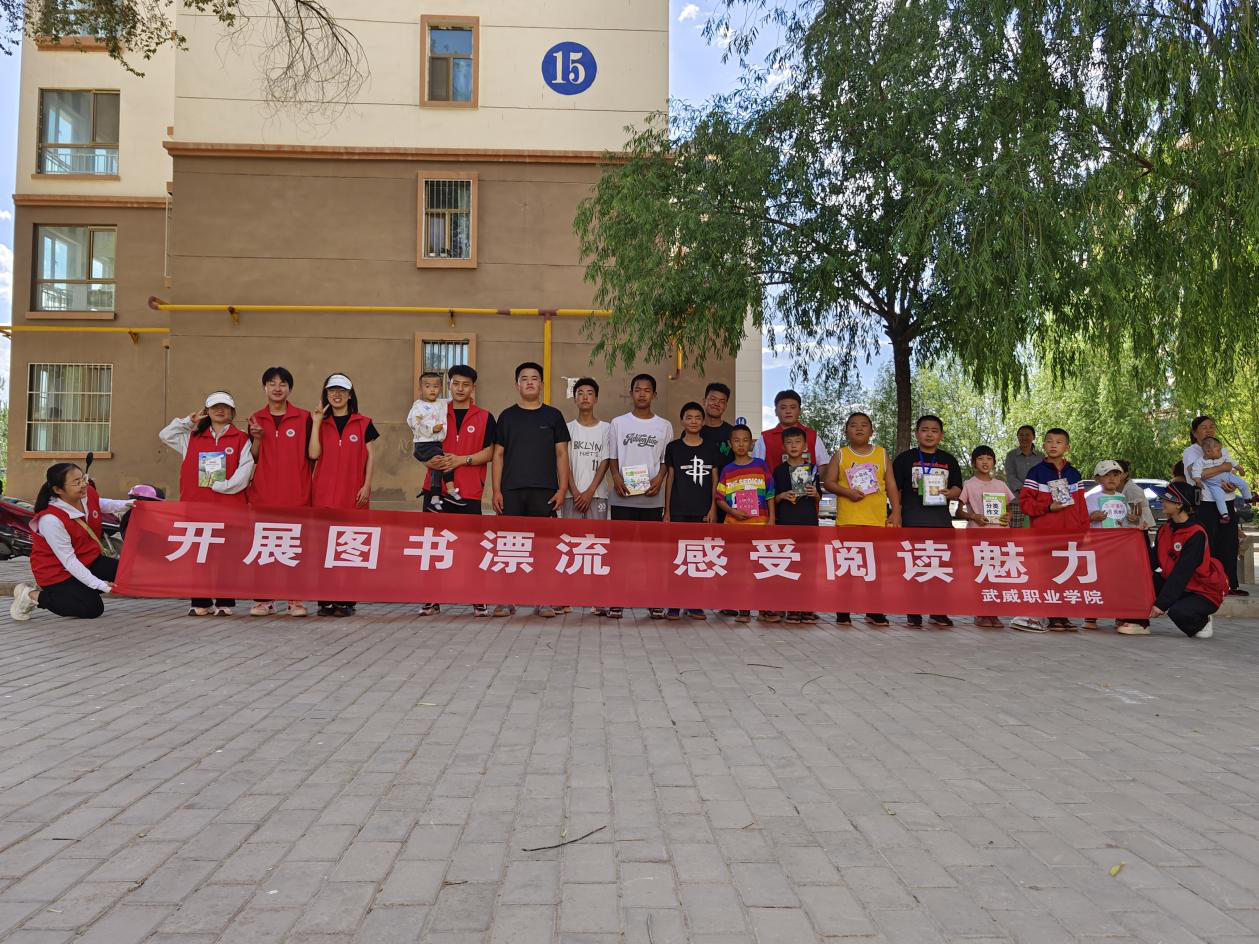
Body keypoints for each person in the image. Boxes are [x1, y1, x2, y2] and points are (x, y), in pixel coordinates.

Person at [161, 391, 254, 615]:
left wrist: (223, 486)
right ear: (207, 411)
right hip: (197, 508)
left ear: (232, 412)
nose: (220, 411)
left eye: (225, 407)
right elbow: (165, 435)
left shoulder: (241, 439)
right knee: (199, 555)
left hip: (228, 508)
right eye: (214, 407)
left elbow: (245, 471)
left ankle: (224, 602)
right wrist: (187, 421)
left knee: (226, 556)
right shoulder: (192, 438)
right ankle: (200, 602)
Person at [491, 362, 571, 619]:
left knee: (543, 547)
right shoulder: (507, 416)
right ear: (517, 385)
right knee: (509, 546)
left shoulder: (553, 416)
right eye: (524, 378)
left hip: (544, 491)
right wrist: (496, 490)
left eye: (534, 378)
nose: (529, 382)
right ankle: (505, 599)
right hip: (511, 490)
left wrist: (562, 489)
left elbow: (561, 454)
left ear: (542, 384)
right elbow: (498, 455)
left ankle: (543, 600)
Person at [416, 364, 496, 617]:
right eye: (456, 383)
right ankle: (431, 598)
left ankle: (477, 598)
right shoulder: (435, 410)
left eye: (466, 384)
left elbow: (490, 452)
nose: (460, 388)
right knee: (433, 545)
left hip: (468, 491)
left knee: (471, 547)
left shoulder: (485, 417)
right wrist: (428, 461)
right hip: (436, 489)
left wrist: (463, 460)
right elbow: (421, 441)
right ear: (449, 385)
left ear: (473, 388)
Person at [10, 463, 133, 621]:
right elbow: (69, 561)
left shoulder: (85, 494)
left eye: (83, 479)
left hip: (87, 559)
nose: (84, 484)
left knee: (125, 573)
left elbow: (98, 503)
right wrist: (101, 585)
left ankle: (78, 591)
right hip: (57, 573)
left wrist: (127, 505)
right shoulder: (51, 520)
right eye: (76, 482)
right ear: (58, 490)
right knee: (92, 607)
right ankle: (30, 595)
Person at [1116, 481, 1228, 637]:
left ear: (1179, 504)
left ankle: (1203, 621)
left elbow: (1181, 573)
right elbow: (1151, 561)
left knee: (1178, 612)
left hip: (1201, 591)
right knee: (1139, 578)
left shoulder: (1196, 534)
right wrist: (1142, 534)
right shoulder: (1165, 529)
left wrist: (1161, 605)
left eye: (1166, 499)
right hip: (1176, 583)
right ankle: (1140, 623)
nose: (1162, 501)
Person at [246, 366, 312, 618]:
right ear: (264, 388)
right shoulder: (256, 418)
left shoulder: (304, 418)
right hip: (263, 495)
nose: (277, 388)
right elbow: (252, 458)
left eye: (282, 384)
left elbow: (313, 454)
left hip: (296, 494)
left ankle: (296, 600)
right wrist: (257, 438)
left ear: (290, 389)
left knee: (294, 548)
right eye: (272, 383)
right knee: (265, 547)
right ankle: (264, 600)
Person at [309, 373, 377, 617]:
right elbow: (314, 454)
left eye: (341, 391)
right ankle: (325, 600)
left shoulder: (363, 423)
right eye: (331, 391)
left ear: (350, 395)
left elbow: (371, 456)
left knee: (349, 547)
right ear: (326, 394)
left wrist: (367, 485)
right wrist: (317, 423)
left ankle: (346, 600)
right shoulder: (320, 423)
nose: (336, 395)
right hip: (323, 495)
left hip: (353, 494)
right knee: (324, 549)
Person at [607, 374, 673, 620]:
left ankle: (654, 602)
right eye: (637, 389)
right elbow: (613, 457)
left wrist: (660, 479)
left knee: (650, 554)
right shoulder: (618, 423)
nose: (642, 394)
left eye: (647, 390)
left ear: (654, 395)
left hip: (651, 497)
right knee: (620, 552)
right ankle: (616, 601)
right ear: (631, 393)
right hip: (623, 495)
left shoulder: (664, 426)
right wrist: (616, 478)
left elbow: (666, 460)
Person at [823, 411, 896, 627]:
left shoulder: (881, 454)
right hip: (848, 520)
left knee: (875, 570)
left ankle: (874, 611)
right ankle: (843, 611)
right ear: (846, 430)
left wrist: (896, 511)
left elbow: (891, 484)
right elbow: (829, 482)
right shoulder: (841, 454)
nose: (859, 428)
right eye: (853, 425)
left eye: (864, 424)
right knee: (847, 567)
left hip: (876, 521)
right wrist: (848, 493)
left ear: (872, 430)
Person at [890, 415, 963, 628]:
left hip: (941, 523)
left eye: (934, 430)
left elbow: (958, 487)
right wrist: (896, 513)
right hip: (912, 521)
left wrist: (950, 493)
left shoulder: (949, 460)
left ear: (941, 435)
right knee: (914, 569)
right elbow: (895, 489)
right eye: (924, 430)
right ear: (916, 433)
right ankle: (913, 612)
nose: (929, 434)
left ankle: (939, 612)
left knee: (940, 570)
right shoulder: (905, 459)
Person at [1014, 427, 1089, 632]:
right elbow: (1025, 504)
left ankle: (1060, 616)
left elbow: (1081, 506)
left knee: (1065, 575)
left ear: (1067, 447)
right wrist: (1048, 507)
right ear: (1043, 446)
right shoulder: (1036, 472)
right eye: (1049, 441)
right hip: (1044, 536)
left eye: (1059, 442)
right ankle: (1042, 615)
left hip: (1070, 535)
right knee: (1045, 575)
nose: (1054, 445)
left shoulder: (1074, 474)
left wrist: (1084, 532)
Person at [663, 401, 720, 621]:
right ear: (682, 421)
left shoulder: (711, 447)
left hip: (702, 510)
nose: (693, 421)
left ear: (703, 421)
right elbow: (670, 479)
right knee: (677, 557)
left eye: (698, 418)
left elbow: (715, 479)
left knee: (698, 557)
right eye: (689, 417)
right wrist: (667, 511)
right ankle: (674, 604)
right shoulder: (674, 448)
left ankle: (695, 604)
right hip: (678, 509)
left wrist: (713, 507)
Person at [717, 425, 776, 623]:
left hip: (760, 525)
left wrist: (772, 519)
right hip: (735, 528)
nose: (741, 444)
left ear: (751, 443)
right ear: (730, 444)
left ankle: (764, 609)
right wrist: (732, 511)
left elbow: (770, 493)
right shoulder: (727, 470)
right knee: (739, 569)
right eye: (736, 440)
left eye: (745, 440)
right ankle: (743, 609)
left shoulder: (761, 465)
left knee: (762, 567)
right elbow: (719, 498)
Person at [1182, 416, 1243, 594]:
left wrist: (1231, 484)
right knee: (1209, 542)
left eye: (1212, 427)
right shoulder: (1191, 451)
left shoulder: (1222, 449)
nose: (1209, 430)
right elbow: (1198, 474)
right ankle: (1209, 584)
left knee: (1229, 542)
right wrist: (1223, 468)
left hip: (1227, 500)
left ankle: (1229, 584)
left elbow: (1230, 473)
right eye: (1204, 427)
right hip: (1205, 503)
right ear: (1195, 433)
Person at [958, 445, 1013, 628]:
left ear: (994, 462)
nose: (985, 462)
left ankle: (994, 613)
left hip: (999, 536)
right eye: (981, 458)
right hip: (977, 536)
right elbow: (958, 511)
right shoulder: (969, 484)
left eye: (989, 459)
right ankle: (981, 613)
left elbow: (1009, 508)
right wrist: (973, 516)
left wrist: (1008, 516)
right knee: (981, 574)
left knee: (996, 574)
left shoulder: (1000, 485)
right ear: (974, 462)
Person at [772, 426, 820, 625]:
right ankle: (791, 607)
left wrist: (815, 494)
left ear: (805, 445)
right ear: (783, 447)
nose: (793, 446)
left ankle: (807, 607)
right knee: (789, 565)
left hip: (808, 522)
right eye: (789, 443)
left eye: (797, 442)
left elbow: (818, 496)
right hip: (786, 522)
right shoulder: (778, 471)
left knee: (808, 566)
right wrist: (782, 496)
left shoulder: (813, 469)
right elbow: (772, 498)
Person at [564, 377, 612, 522]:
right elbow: (564, 462)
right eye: (580, 393)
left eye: (589, 393)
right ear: (574, 399)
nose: (585, 397)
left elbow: (605, 461)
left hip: (597, 495)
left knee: (597, 534)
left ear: (596, 399)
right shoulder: (567, 428)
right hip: (571, 496)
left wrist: (590, 491)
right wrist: (575, 492)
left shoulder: (606, 428)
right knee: (570, 534)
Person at [408, 370, 456, 509]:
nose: (432, 390)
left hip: (435, 443)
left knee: (438, 465)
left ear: (440, 388)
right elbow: (413, 423)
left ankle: (436, 496)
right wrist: (431, 429)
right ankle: (448, 490)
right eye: (427, 386)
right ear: (420, 389)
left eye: (436, 386)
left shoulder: (442, 403)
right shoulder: (418, 406)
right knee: (442, 460)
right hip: (423, 443)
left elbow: (453, 400)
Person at [754, 389, 831, 469]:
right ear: (776, 411)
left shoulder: (813, 436)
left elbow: (823, 465)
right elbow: (755, 468)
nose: (788, 411)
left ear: (800, 411)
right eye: (783, 408)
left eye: (792, 407)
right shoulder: (764, 438)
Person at [1193, 437, 1253, 523]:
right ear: (1208, 452)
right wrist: (1198, 481)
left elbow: (1232, 462)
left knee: (1243, 484)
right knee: (1219, 498)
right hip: (1213, 484)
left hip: (1228, 477)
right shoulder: (1200, 461)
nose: (1221, 452)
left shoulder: (1223, 457)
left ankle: (1248, 500)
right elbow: (1196, 471)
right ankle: (1224, 515)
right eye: (1218, 450)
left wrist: (1240, 469)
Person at [1003, 425, 1042, 527]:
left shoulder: (1041, 456)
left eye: (1027, 435)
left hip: (1036, 501)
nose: (1024, 437)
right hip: (1017, 501)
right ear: (1018, 437)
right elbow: (1010, 476)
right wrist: (1024, 489)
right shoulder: (1011, 455)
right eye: (1021, 435)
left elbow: (1043, 476)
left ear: (1033, 437)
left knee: (1035, 529)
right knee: (1016, 532)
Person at [1116, 459, 1155, 531]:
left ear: (1125, 474)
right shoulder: (1117, 487)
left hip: (1138, 527)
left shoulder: (1132, 489)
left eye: (1117, 473)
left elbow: (1136, 513)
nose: (1112, 476)